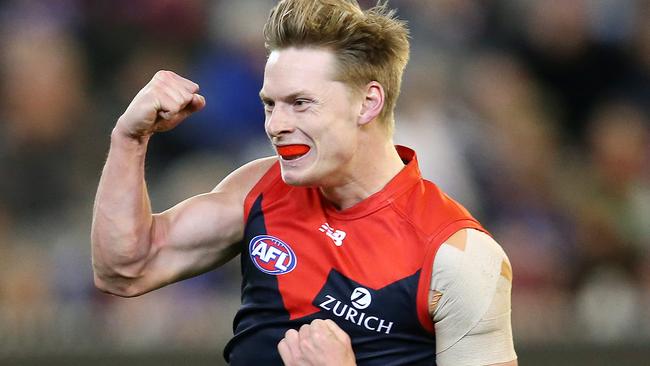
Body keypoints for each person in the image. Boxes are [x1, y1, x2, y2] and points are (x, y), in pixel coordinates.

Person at [91, 0, 517, 365]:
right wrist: (129, 138)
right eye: (270, 105)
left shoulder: (456, 256)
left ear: (368, 102)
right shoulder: (261, 187)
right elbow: (125, 269)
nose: (276, 125)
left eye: (300, 103)